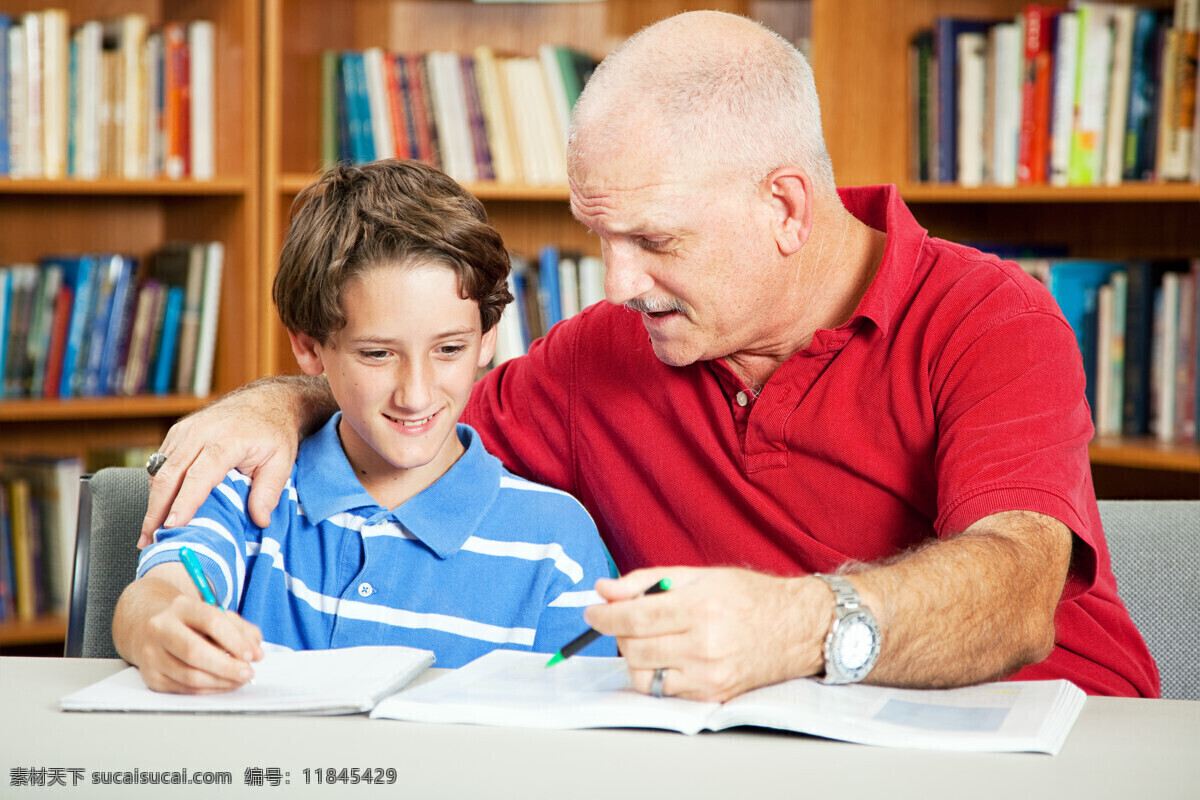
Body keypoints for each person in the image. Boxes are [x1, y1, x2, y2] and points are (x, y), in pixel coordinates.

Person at [138, 12, 1159, 701]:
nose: (618, 281)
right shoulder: (602, 357)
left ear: (786, 208)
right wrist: (279, 400)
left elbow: (1022, 586)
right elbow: (414, 404)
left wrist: (802, 624)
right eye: (599, 236)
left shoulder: (991, 318)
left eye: (656, 240)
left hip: (1046, 741)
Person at [115, 159, 616, 693]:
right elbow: (158, 591)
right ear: (309, 346)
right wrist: (156, 627)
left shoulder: (557, 543)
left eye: (449, 349)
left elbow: (584, 725)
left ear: (488, 336)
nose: (417, 394)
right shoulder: (243, 488)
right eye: (377, 354)